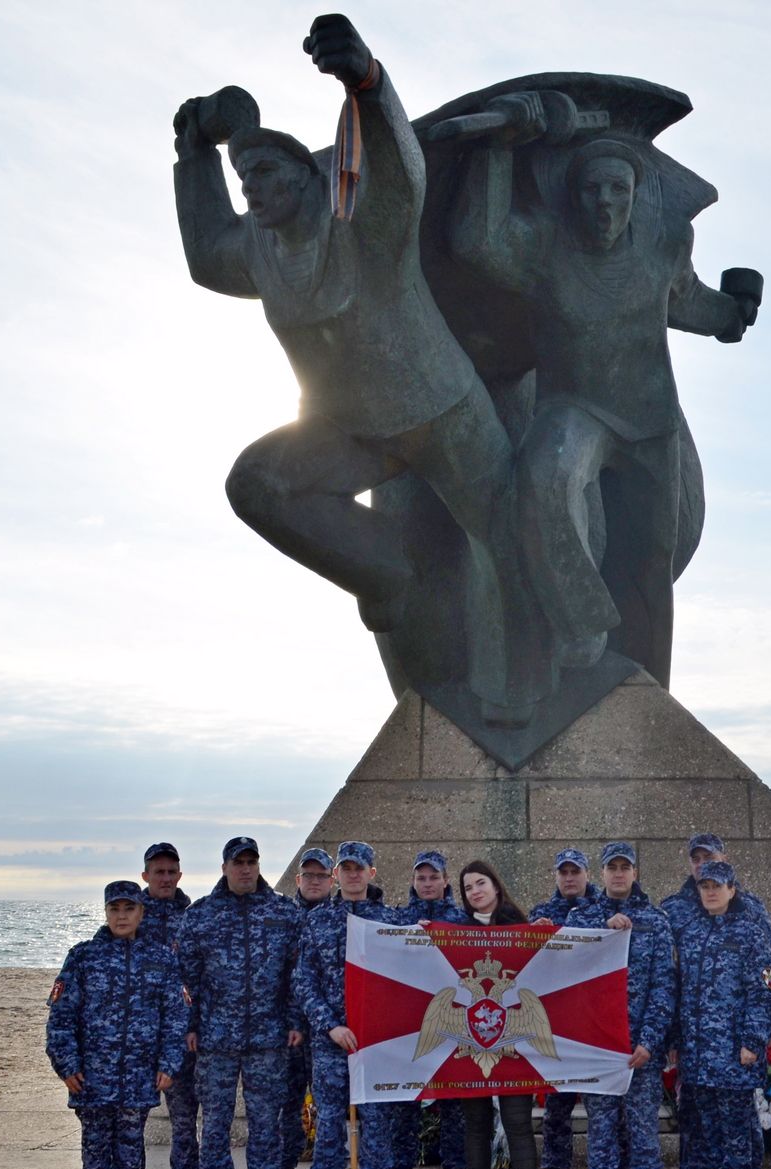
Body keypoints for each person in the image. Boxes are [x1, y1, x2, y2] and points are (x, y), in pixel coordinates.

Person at [172, 15, 529, 723]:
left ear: (310, 178)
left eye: (266, 171)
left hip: (443, 415)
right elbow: (208, 253)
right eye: (246, 177)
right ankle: (390, 576)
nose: (252, 187)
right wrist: (194, 157)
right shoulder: (259, 250)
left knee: (507, 540)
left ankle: (527, 677)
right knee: (259, 484)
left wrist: (366, 82)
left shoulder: (367, 226)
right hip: (352, 432)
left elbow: (399, 168)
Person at [450, 108, 758, 685]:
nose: (605, 202)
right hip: (574, 410)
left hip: (650, 421)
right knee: (546, 477)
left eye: (618, 188)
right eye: (591, 189)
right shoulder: (545, 246)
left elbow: (685, 297)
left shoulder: (665, 243)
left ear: (636, 195)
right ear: (574, 196)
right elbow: (480, 240)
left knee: (648, 564)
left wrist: (732, 316)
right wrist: (494, 150)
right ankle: (582, 621)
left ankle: (645, 697)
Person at [45, 881, 186, 1169]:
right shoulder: (83, 957)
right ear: (106, 913)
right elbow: (61, 1018)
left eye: (129, 909)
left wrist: (169, 1063)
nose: (121, 916)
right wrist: (66, 1064)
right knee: (96, 1152)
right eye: (114, 910)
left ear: (141, 913)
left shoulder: (161, 958)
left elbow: (175, 1017)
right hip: (92, 1077)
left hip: (139, 1077)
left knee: (129, 1152)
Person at [175, 836, 304, 1169]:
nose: (245, 868)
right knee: (214, 1123)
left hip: (269, 1038)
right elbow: (186, 979)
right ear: (224, 867)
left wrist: (296, 1020)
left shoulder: (284, 912)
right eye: (238, 862)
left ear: (259, 865)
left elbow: (297, 974)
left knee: (267, 1122)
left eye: (251, 861)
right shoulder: (200, 916)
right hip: (216, 1040)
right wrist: (191, 1025)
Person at [658, 832, 771, 1169]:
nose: (702, 868)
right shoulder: (678, 911)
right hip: (696, 1044)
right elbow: (673, 975)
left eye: (709, 859)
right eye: (696, 860)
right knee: (699, 1118)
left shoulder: (750, 916)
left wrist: (756, 1036)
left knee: (737, 1124)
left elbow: (767, 980)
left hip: (732, 1045)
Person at [291, 841, 403, 1169]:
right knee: (329, 1122)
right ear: (336, 874)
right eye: (346, 868)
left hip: (376, 1043)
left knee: (376, 1122)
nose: (353, 874)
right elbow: (304, 981)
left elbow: (411, 979)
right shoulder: (317, 920)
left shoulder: (391, 922)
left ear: (372, 874)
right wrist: (329, 1025)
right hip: (332, 1041)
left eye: (361, 868)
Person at [566, 841, 674, 1169]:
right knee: (601, 1127)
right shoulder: (584, 917)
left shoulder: (655, 920)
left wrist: (649, 1041)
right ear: (601, 873)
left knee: (643, 1126)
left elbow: (664, 987)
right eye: (611, 867)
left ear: (635, 873)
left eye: (625, 867)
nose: (618, 874)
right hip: (598, 1046)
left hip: (638, 1049)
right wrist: (602, 928)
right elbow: (563, 955)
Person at [456, 859, 545, 1169]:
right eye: (468, 888)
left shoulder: (524, 931)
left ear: (496, 886)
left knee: (519, 1127)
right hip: (471, 1045)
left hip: (512, 1044)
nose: (475, 891)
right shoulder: (453, 935)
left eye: (481, 883)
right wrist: (424, 939)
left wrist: (548, 938)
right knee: (475, 1128)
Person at [392, 850, 473, 1169]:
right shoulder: (396, 920)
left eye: (433, 877)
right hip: (410, 1030)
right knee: (404, 1113)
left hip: (455, 1029)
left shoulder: (464, 920)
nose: (426, 883)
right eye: (420, 877)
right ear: (414, 881)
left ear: (445, 881)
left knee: (456, 1114)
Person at [528, 847, 606, 1169]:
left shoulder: (604, 911)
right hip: (555, 1028)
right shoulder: (541, 914)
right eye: (564, 872)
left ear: (588, 874)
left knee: (604, 1111)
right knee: (555, 1112)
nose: (570, 878)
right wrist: (533, 936)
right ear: (556, 876)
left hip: (592, 1027)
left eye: (576, 871)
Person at [135, 842, 201, 1169]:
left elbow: (200, 975)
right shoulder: (132, 914)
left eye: (170, 871)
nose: (164, 877)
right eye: (157, 871)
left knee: (184, 1119)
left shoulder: (192, 918)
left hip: (180, 1040)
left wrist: (193, 1027)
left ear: (179, 874)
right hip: (140, 1039)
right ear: (146, 875)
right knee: (133, 1123)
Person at [279, 847, 336, 1169]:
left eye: (321, 876)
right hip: (286, 1032)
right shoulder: (279, 915)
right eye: (308, 875)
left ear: (331, 880)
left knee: (329, 1111)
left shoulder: (343, 917)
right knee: (287, 1108)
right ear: (297, 880)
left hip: (328, 1033)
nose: (314, 881)